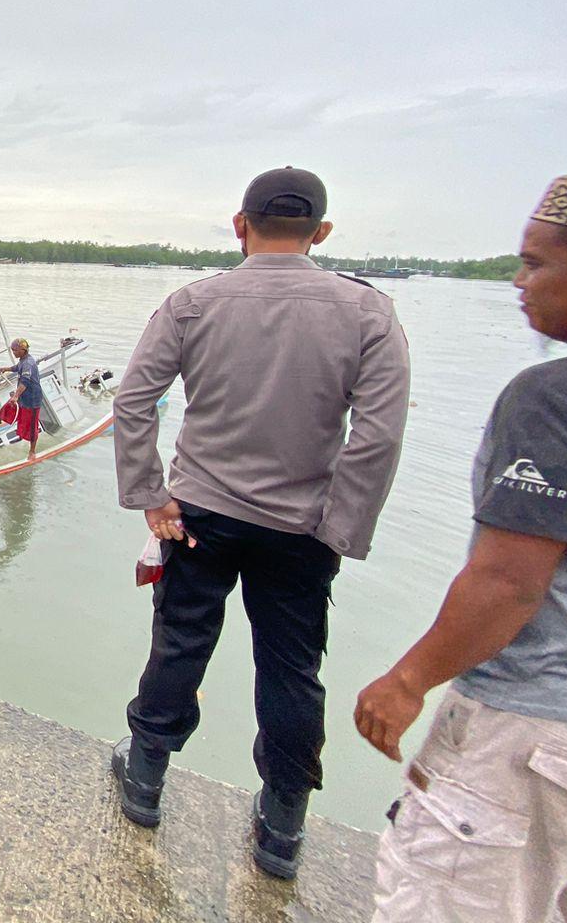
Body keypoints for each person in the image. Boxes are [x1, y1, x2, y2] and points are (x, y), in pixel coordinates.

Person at [109, 166, 411, 879]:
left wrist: (151, 496)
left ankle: (146, 780)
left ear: (238, 225)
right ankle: (282, 825)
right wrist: (341, 526)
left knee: (180, 642)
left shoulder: (191, 303)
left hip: (198, 514)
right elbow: (379, 433)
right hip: (302, 526)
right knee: (292, 669)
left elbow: (132, 403)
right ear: (322, 233)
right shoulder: (367, 313)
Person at [355, 173, 567, 923]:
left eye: (536, 262)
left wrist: (408, 679)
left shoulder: (553, 397)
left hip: (534, 728)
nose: (519, 282)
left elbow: (510, 584)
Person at [0, 337, 42, 461]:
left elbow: (25, 382)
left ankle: (32, 452)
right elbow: (17, 367)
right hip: (23, 397)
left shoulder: (28, 363)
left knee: (32, 427)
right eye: (12, 350)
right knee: (3, 410)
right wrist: (6, 369)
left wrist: (15, 396)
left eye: (15, 350)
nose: (13, 352)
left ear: (23, 350)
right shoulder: (22, 360)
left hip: (32, 400)